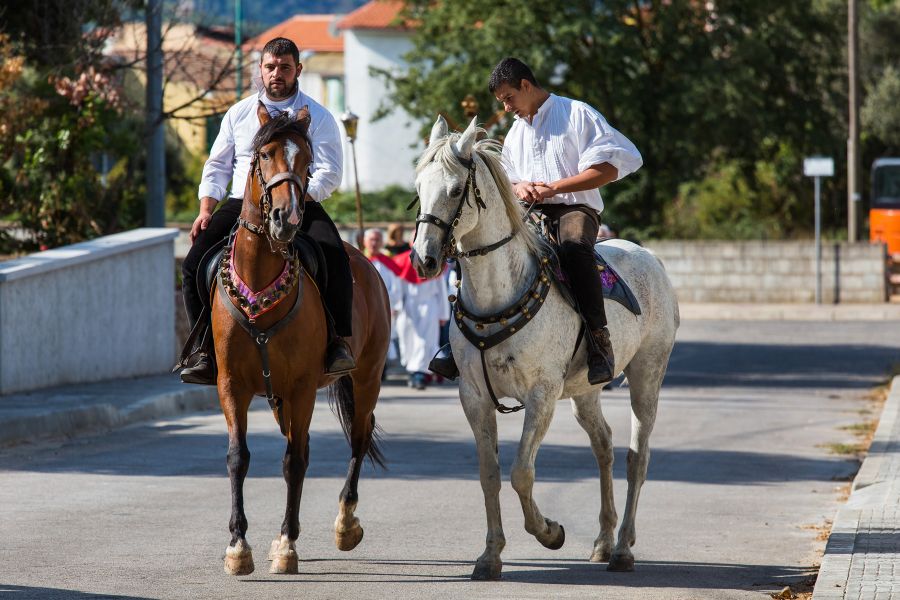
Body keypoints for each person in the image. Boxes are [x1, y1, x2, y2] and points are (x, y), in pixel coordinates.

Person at [430, 57, 643, 386]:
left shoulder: (577, 114)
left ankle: (600, 342)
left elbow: (610, 168)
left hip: (574, 208)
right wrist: (519, 186)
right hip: (529, 212)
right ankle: (459, 341)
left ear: (526, 85)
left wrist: (554, 187)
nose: (506, 106)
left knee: (573, 250)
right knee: (475, 243)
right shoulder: (515, 133)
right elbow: (510, 181)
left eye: (508, 98)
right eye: (502, 101)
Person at [179, 37, 354, 384]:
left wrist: (301, 195)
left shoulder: (318, 116)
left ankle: (337, 344)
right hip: (241, 205)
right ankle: (203, 349)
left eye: (285, 67)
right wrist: (205, 209)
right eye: (270, 67)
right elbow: (217, 166)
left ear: (298, 70)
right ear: (260, 69)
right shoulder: (238, 114)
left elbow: (330, 171)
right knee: (192, 264)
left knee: (336, 257)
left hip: (300, 201)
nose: (277, 73)